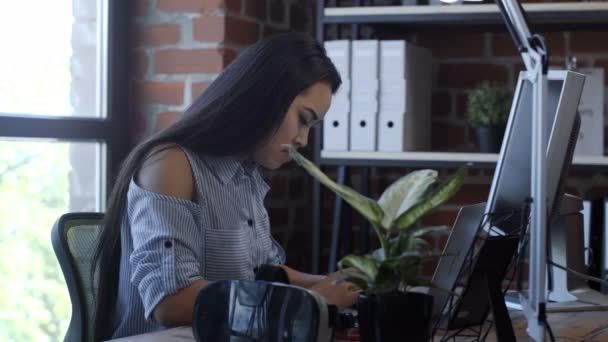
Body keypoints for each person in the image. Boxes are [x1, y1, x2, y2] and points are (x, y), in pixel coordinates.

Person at [92, 32, 360, 340]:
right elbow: (170, 301)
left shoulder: (246, 175)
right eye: (303, 119)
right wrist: (316, 300)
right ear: (266, 95)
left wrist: (337, 283)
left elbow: (262, 276)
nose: (303, 140)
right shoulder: (170, 163)